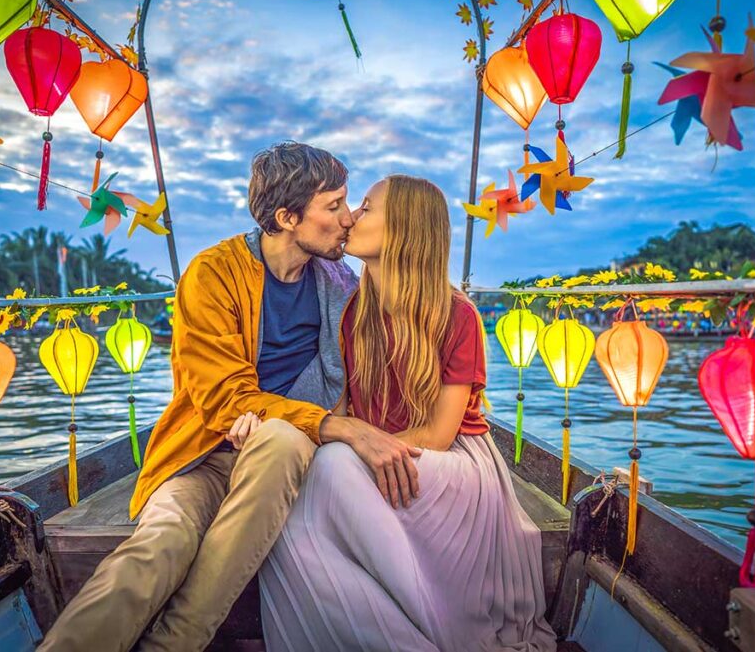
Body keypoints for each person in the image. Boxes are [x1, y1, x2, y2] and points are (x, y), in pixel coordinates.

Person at [38, 143, 422, 651]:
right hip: (203, 456)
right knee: (162, 542)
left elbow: (363, 375)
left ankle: (174, 644)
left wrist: (294, 423)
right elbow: (224, 399)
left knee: (281, 441)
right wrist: (340, 427)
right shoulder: (212, 274)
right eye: (334, 206)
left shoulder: (340, 284)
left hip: (289, 459)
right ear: (286, 217)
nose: (349, 219)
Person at [257, 175, 558, 651]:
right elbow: (344, 407)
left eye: (367, 208)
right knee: (289, 513)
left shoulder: (457, 315)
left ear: (403, 228)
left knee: (333, 464)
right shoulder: (355, 311)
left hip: (450, 464)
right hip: (379, 456)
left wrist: (362, 446)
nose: (352, 217)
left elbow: (440, 434)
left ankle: (439, 625)